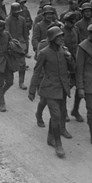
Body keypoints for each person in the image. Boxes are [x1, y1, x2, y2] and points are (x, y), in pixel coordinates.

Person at [28, 26, 74, 158]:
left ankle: (50, 137)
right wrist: (32, 90)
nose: (61, 39)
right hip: (49, 88)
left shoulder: (64, 51)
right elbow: (36, 72)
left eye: (61, 36)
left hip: (62, 88)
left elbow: (72, 69)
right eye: (58, 37)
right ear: (52, 39)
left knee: (58, 114)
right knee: (56, 116)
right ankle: (58, 144)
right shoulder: (44, 52)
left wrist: (69, 58)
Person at [6, 2, 29, 90]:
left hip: (21, 44)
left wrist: (26, 45)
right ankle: (8, 80)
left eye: (18, 12)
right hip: (12, 45)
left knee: (22, 65)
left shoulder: (22, 19)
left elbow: (25, 34)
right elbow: (7, 33)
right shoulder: (8, 20)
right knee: (10, 65)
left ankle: (21, 82)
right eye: (16, 12)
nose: (17, 13)